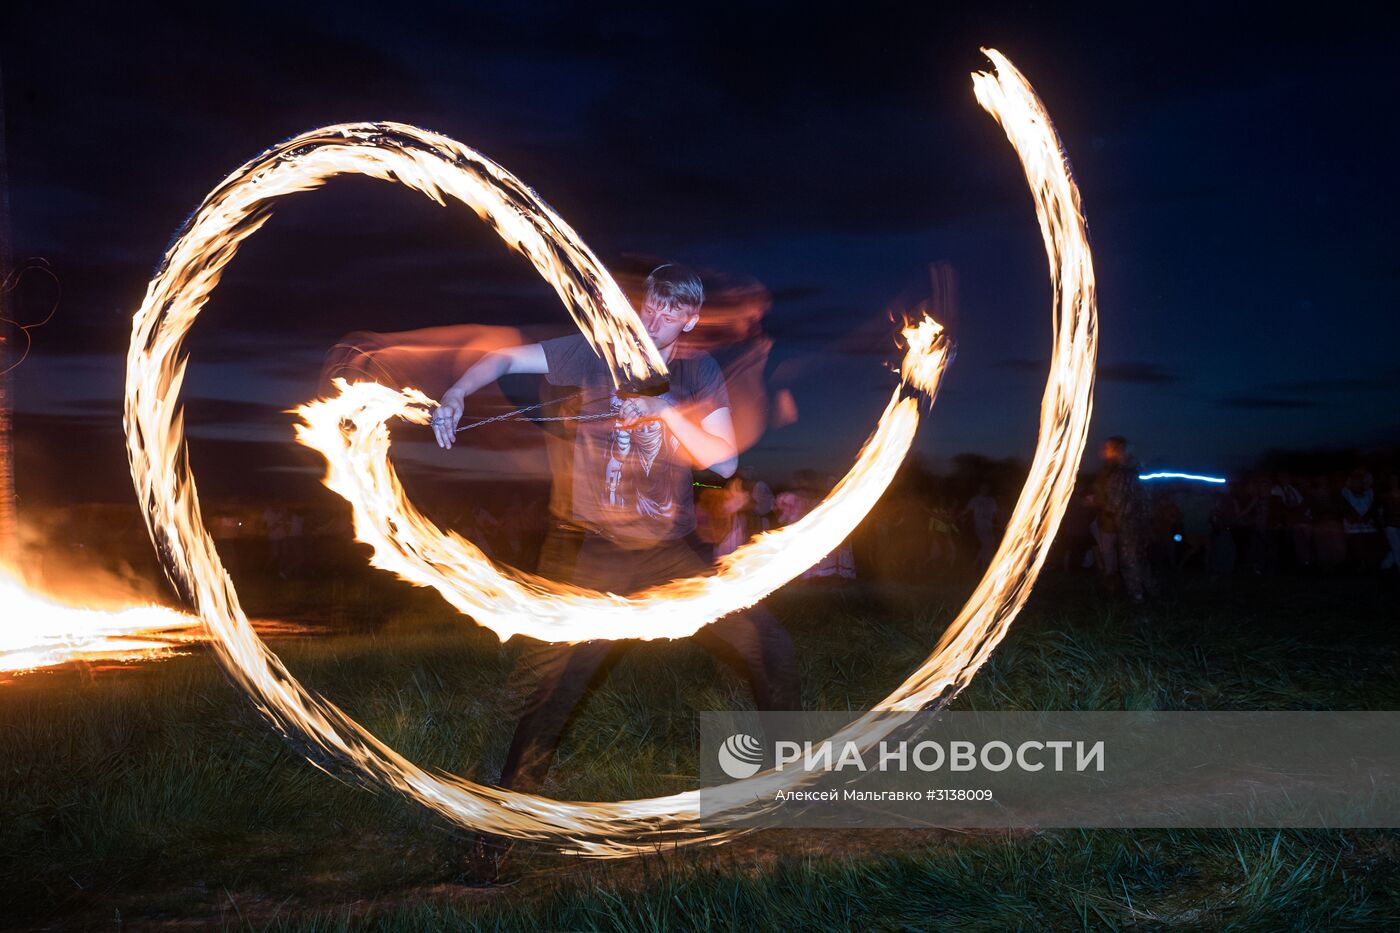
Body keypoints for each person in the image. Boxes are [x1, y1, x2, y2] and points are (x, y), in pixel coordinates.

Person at [431, 264, 800, 875]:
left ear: (687, 320)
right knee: (553, 694)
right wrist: (456, 393)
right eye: (645, 310)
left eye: (667, 316)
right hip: (592, 552)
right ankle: (493, 841)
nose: (651, 325)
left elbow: (726, 461)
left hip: (669, 551)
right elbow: (502, 358)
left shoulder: (693, 371)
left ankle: (782, 788)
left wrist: (669, 404)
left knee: (769, 645)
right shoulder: (593, 353)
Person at [1092, 436, 1155, 602]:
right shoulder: (1138, 470)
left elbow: (1116, 502)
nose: (1105, 451)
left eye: (1108, 448)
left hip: (1127, 522)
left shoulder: (1120, 473)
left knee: (1130, 558)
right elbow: (1147, 497)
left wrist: (1102, 504)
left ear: (1117, 451)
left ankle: (1137, 595)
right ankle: (1149, 590)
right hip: (1139, 521)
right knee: (1140, 556)